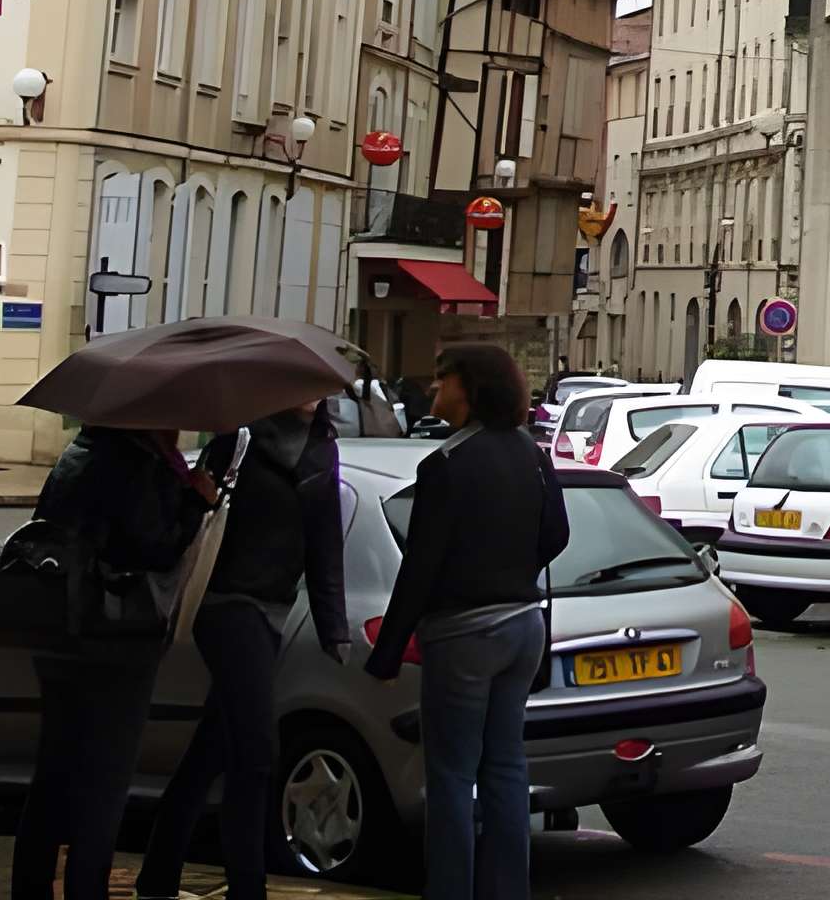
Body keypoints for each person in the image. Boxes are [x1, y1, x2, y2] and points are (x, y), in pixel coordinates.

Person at [367, 345, 568, 900]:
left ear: (470, 387)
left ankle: (451, 889)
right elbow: (559, 534)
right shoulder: (532, 453)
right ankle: (509, 890)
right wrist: (512, 569)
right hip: (524, 624)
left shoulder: (447, 464)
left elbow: (420, 566)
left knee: (453, 773)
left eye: (442, 381)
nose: (434, 391)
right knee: (506, 762)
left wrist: (387, 653)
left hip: (464, 633)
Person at [137, 404, 352, 900]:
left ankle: (157, 875)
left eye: (320, 390)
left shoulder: (323, 449)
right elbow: (188, 519)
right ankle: (247, 888)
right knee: (256, 753)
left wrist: (333, 628)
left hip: (273, 610)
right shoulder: (236, 439)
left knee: (213, 749)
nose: (313, 397)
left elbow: (325, 546)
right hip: (226, 604)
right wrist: (195, 493)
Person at [15, 424, 213, 900]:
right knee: (105, 780)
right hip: (116, 639)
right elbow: (156, 545)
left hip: (61, 631)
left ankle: (31, 886)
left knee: (55, 771)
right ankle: (87, 889)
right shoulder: (133, 463)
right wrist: (194, 501)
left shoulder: (78, 453)